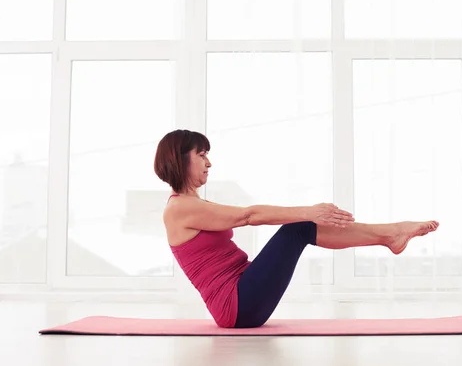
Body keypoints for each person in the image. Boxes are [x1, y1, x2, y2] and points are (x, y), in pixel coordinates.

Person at [154, 129, 439, 329]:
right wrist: (309, 211)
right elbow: (248, 216)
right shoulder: (179, 208)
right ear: (180, 159)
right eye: (201, 154)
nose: (209, 162)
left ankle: (389, 234)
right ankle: (390, 234)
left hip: (243, 294)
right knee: (297, 229)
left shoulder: (192, 203)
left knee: (299, 228)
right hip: (237, 305)